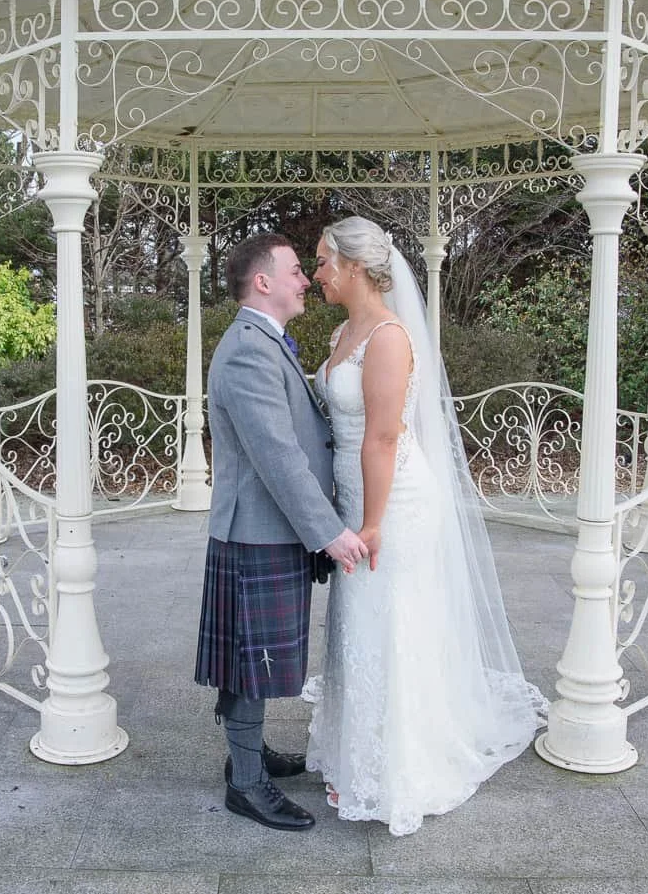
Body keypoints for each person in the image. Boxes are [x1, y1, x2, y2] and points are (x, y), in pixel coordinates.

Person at [303, 215, 548, 836]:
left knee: (391, 620)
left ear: (355, 267)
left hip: (394, 502)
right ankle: (354, 752)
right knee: (358, 623)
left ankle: (400, 766)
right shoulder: (341, 330)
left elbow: (383, 435)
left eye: (324, 262)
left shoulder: (388, 337)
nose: (316, 274)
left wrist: (372, 522)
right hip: (354, 497)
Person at [193, 232, 372, 832]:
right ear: (263, 282)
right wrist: (330, 532)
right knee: (254, 658)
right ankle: (246, 784)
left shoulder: (264, 342)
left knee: (257, 655)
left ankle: (249, 753)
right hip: (258, 532)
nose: (305, 280)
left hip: (268, 530)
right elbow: (277, 455)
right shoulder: (248, 349)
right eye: (296, 271)